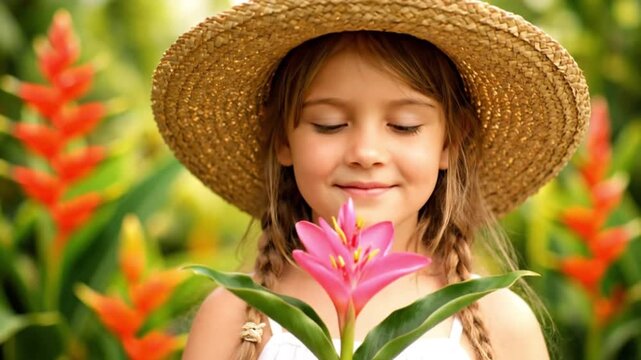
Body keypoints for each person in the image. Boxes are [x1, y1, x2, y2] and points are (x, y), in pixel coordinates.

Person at [151, 1, 590, 359]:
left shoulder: (501, 325)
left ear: (449, 144)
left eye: (402, 126)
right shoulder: (231, 319)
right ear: (283, 140)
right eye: (327, 124)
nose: (365, 153)